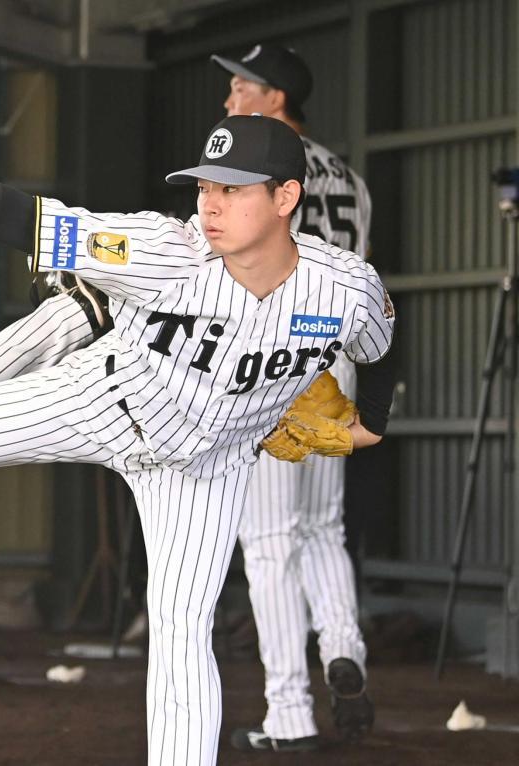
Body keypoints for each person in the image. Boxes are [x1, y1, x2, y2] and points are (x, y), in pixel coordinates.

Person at [0, 114, 397, 766]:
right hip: (107, 401)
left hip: (204, 469)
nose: (209, 202)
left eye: (232, 189)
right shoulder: (161, 251)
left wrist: (369, 426)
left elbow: (379, 347)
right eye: (205, 185)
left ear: (286, 198)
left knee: (184, 633)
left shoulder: (344, 286)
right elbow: (18, 216)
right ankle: (74, 313)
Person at [212, 43, 376, 751]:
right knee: (323, 528)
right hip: (337, 354)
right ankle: (343, 648)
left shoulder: (260, 166)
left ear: (274, 98)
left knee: (271, 541)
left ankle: (289, 712)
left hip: (276, 355)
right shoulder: (354, 180)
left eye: (240, 87)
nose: (228, 100)